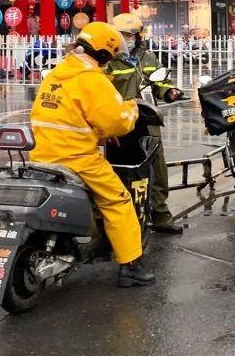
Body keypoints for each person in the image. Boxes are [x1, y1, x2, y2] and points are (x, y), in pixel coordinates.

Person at [29, 21, 155, 287]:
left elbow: (68, 117)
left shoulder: (57, 73)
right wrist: (131, 109)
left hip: (42, 155)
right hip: (78, 159)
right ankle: (131, 266)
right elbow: (115, 123)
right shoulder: (91, 79)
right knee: (118, 201)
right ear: (104, 52)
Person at [106, 13, 184, 235]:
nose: (127, 39)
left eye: (131, 35)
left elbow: (159, 81)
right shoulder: (108, 60)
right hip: (119, 123)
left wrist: (169, 91)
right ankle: (117, 219)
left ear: (139, 36)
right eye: (123, 35)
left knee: (157, 170)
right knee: (117, 171)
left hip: (147, 120)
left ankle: (161, 217)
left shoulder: (146, 58)